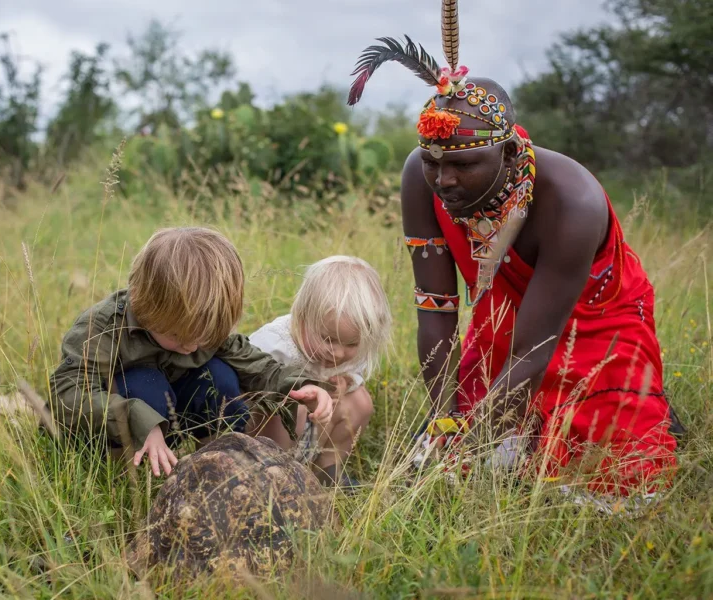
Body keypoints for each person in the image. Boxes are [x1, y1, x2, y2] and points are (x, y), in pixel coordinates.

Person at [346, 0, 678, 501]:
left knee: (607, 467)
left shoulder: (572, 201)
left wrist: (467, 446)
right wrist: (444, 421)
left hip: (596, 322)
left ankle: (653, 409)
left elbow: (535, 350)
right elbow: (435, 310)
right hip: (507, 321)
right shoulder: (420, 175)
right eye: (434, 163)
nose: (444, 180)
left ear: (508, 153)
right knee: (469, 448)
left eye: (464, 165)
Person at [48, 227, 334, 478]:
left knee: (220, 377)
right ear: (144, 303)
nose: (192, 346)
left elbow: (256, 365)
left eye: (204, 336)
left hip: (174, 418)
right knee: (145, 384)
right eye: (178, 335)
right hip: (110, 432)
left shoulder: (202, 326)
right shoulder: (102, 327)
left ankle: (217, 468)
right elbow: (66, 392)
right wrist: (140, 419)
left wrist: (302, 387)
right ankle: (132, 478)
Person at [247, 256, 392, 488]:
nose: (338, 353)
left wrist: (345, 383)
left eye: (351, 344)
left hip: (313, 433)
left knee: (360, 401)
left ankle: (325, 471)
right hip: (267, 438)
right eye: (328, 339)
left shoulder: (348, 350)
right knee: (293, 407)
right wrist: (298, 394)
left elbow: (355, 374)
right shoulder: (275, 344)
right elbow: (245, 385)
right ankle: (276, 477)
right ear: (303, 317)